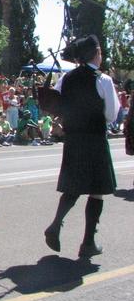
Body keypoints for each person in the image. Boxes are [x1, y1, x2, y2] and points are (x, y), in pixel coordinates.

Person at [44, 35, 120, 258]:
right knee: (97, 191)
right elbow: (110, 115)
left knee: (73, 187)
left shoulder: (66, 79)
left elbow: (56, 103)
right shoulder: (103, 79)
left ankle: (55, 225)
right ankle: (88, 242)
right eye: (100, 52)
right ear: (95, 53)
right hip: (94, 139)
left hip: (74, 140)